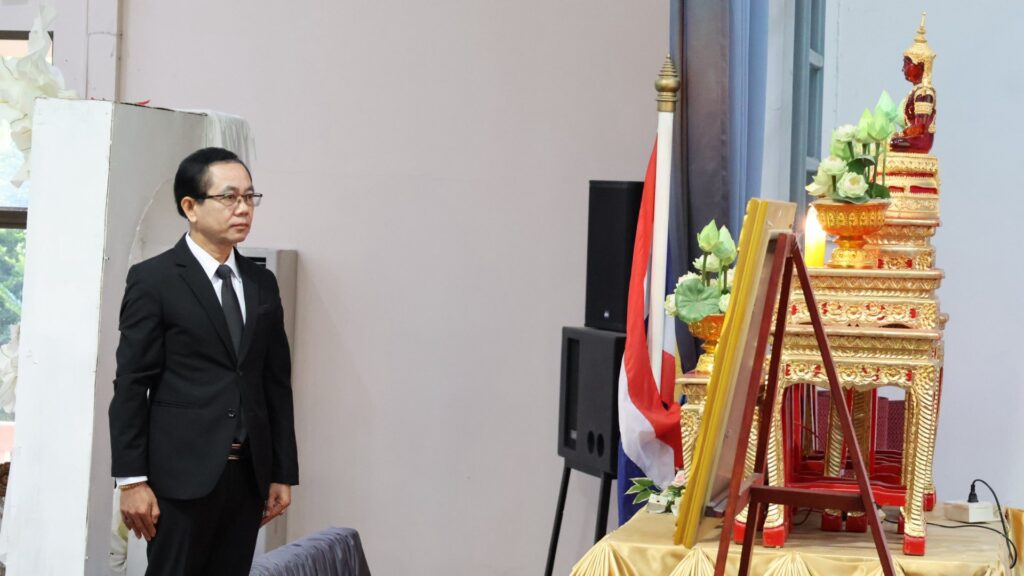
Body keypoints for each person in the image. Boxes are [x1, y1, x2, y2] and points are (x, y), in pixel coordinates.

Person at [109, 147, 299, 576]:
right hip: (180, 478)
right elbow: (132, 384)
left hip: (248, 476)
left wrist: (282, 471)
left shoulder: (261, 283)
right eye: (229, 197)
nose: (243, 208)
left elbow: (275, 383)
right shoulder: (154, 280)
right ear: (190, 207)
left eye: (249, 197)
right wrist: (132, 480)